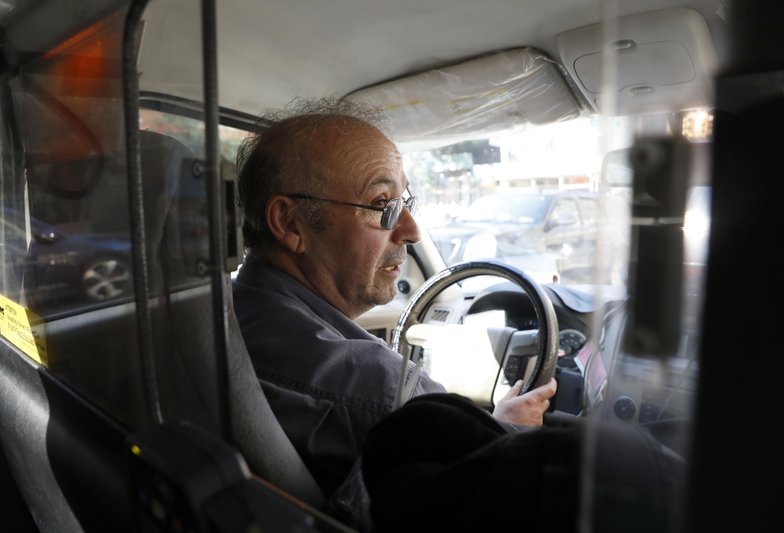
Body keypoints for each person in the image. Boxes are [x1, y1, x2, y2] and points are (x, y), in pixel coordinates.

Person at [232, 97, 557, 505]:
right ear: (290, 223)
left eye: (405, 203)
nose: (411, 230)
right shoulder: (382, 391)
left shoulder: (224, 319)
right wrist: (508, 431)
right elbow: (510, 494)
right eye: (381, 205)